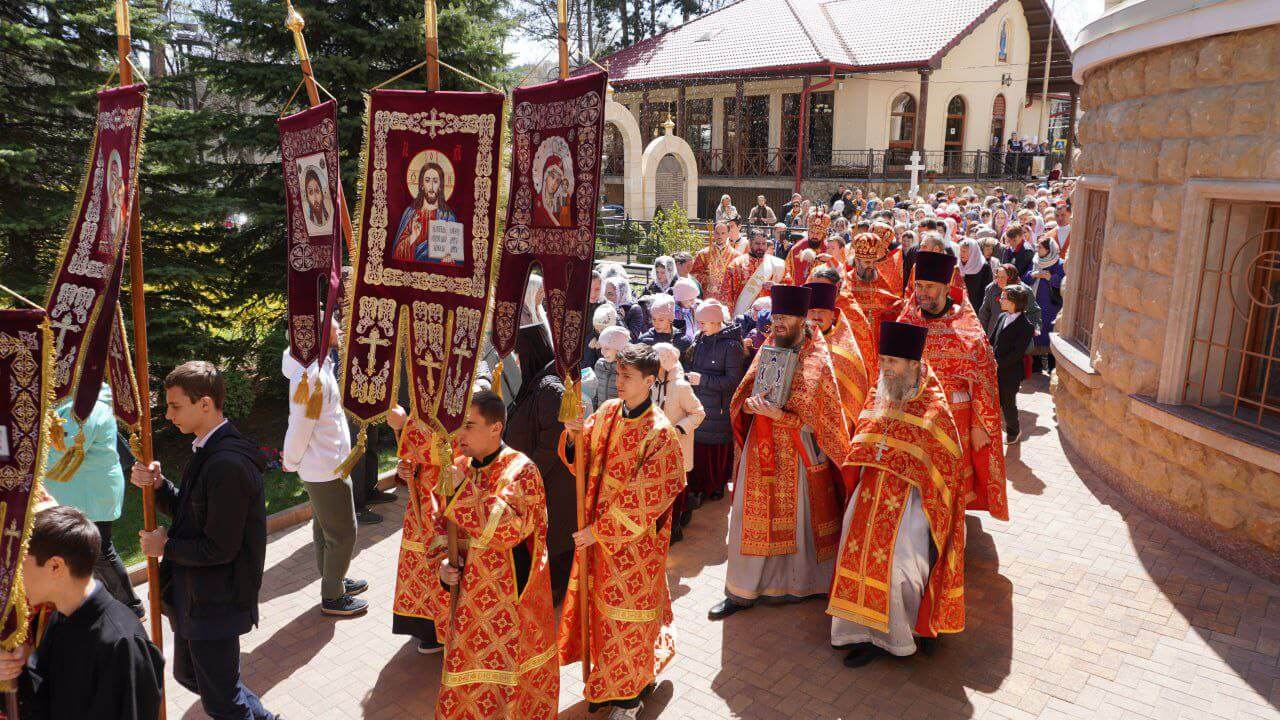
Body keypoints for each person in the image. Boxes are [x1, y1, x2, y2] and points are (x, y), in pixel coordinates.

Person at [130, 361, 275, 720]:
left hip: (216, 600)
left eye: (175, 406)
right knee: (192, 676)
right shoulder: (206, 450)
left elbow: (220, 548)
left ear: (205, 404)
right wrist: (160, 487)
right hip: (195, 594)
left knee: (222, 702)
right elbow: (189, 513)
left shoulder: (226, 463)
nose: (168, 414)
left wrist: (166, 547)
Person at [829, 321, 967, 667]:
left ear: (913, 366)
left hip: (911, 503)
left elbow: (946, 463)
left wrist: (905, 465)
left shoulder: (933, 408)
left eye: (893, 362)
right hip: (870, 493)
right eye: (883, 360)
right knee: (855, 556)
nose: (885, 368)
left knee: (900, 567)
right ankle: (859, 632)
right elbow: (865, 433)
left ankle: (897, 636)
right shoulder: (882, 392)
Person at [559, 344, 684, 720]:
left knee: (626, 619)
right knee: (604, 618)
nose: (620, 382)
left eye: (628, 377)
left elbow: (647, 498)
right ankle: (617, 683)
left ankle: (629, 700)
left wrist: (600, 532)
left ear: (649, 381)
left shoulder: (660, 433)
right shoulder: (609, 412)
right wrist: (571, 436)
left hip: (635, 547)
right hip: (599, 537)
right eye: (618, 374)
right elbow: (583, 457)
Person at [710, 285, 850, 620]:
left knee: (799, 521)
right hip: (762, 449)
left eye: (784, 317)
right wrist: (749, 406)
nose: (778, 323)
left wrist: (784, 417)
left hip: (800, 455)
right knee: (750, 518)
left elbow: (825, 419)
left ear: (802, 320)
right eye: (775, 317)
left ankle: (803, 585)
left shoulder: (819, 359)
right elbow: (745, 393)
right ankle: (742, 591)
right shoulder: (768, 348)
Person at [435, 391, 559, 719]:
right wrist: (442, 568)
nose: (460, 434)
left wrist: (462, 491)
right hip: (467, 605)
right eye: (459, 425)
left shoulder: (521, 470)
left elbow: (506, 530)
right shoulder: (459, 467)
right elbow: (437, 531)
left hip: (510, 608)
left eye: (469, 425)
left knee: (509, 691)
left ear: (495, 428)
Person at [0, 506, 164, 719]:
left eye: (21, 565)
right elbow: (41, 698)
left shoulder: (123, 644)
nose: (15, 578)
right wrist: (10, 673)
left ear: (56, 566)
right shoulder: (61, 617)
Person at [898, 252, 1009, 521]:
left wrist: (978, 425)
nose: (922, 293)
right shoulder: (906, 324)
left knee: (950, 491)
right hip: (914, 418)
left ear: (947, 288)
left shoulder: (968, 332)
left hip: (955, 421)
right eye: (919, 286)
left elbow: (984, 383)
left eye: (930, 287)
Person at [281, 315, 366, 616]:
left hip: (330, 464)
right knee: (344, 532)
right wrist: (290, 460)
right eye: (333, 324)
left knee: (325, 528)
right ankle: (333, 595)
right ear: (319, 334)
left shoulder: (321, 367)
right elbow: (302, 424)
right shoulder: (312, 377)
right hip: (325, 468)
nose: (340, 327)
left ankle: (335, 578)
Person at [43, 383, 144, 618]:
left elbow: (66, 447)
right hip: (79, 488)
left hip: (89, 492)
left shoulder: (87, 397)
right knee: (82, 551)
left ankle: (130, 607)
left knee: (98, 550)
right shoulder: (74, 395)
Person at [503, 324, 575, 602]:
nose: (518, 362)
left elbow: (553, 442)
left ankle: (556, 590)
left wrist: (529, 474)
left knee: (556, 536)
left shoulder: (550, 388)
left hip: (551, 483)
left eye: (520, 355)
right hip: (540, 479)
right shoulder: (539, 381)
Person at [386, 409, 447, 655]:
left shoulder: (466, 391)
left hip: (448, 496)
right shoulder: (425, 395)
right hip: (422, 496)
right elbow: (416, 450)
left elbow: (450, 447)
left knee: (442, 559)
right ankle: (426, 626)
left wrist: (406, 425)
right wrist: (407, 467)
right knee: (419, 563)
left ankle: (445, 628)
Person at [685, 301, 744, 505]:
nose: (699, 326)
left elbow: (733, 382)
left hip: (718, 408)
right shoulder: (701, 338)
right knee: (699, 447)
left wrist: (702, 380)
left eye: (703, 322)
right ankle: (699, 487)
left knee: (715, 450)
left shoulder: (731, 346)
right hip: (699, 404)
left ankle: (716, 485)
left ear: (715, 321)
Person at [651, 343, 705, 541]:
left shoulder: (681, 387)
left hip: (677, 448)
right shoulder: (652, 383)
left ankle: (673, 529)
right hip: (656, 450)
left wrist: (679, 429)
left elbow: (698, 413)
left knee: (674, 493)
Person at [838, 232, 904, 377]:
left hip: (877, 347)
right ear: (857, 260)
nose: (872, 266)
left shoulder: (882, 282)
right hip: (853, 346)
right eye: (867, 262)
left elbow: (894, 305)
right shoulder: (845, 284)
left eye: (874, 262)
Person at [805, 281, 869, 430]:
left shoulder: (846, 351)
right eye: (812, 311)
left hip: (837, 425)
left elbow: (855, 394)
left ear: (833, 315)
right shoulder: (798, 343)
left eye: (821, 311)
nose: (816, 316)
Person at [989, 284, 1035, 444]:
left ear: (1014, 302)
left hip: (1010, 373)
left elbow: (1017, 354)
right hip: (995, 367)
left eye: (1003, 298)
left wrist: (996, 363)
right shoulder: (1002, 316)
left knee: (1007, 403)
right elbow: (992, 339)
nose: (1000, 300)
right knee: (993, 401)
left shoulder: (1026, 327)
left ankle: (1013, 430)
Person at [722, 229, 785, 319]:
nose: (761, 247)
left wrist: (776, 286)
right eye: (757, 243)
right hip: (743, 315)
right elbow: (726, 294)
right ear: (750, 243)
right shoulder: (737, 264)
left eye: (764, 244)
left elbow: (788, 287)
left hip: (768, 317)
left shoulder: (776, 264)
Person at [1023, 238, 1064, 374]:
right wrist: (1033, 274)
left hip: (1052, 306)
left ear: (1049, 250)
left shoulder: (1059, 264)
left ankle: (1052, 365)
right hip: (1036, 303)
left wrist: (1051, 278)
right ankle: (1037, 365)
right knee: (1037, 331)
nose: (1037, 250)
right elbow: (1025, 278)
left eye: (1040, 247)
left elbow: (1064, 282)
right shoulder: (1036, 261)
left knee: (1050, 332)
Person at [978, 263, 1041, 337]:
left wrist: (1030, 330)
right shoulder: (991, 288)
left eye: (1003, 277)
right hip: (994, 334)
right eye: (997, 277)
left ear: (1011, 277)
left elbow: (1034, 312)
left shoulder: (1024, 291)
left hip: (1017, 336)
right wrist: (982, 335)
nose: (999, 280)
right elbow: (984, 313)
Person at [689, 222, 740, 304]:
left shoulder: (736, 256)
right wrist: (706, 279)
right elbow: (693, 275)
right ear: (713, 234)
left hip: (727, 298)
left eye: (723, 233)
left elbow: (738, 279)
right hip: (707, 297)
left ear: (728, 234)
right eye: (717, 233)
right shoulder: (703, 254)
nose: (720, 236)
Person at [592, 325, 631, 411]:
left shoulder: (629, 369)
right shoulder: (599, 365)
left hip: (618, 417)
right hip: (601, 415)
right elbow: (596, 393)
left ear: (620, 348)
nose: (602, 352)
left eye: (607, 348)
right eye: (601, 347)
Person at [957, 238, 992, 310]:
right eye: (960, 251)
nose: (961, 254)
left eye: (964, 251)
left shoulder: (984, 267)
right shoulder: (957, 265)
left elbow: (986, 292)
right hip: (958, 306)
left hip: (975, 308)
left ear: (972, 252)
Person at [672, 277, 699, 346]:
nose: (693, 302)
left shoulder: (696, 307)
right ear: (680, 299)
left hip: (695, 344)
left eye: (694, 298)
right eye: (690, 299)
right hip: (682, 346)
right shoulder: (674, 312)